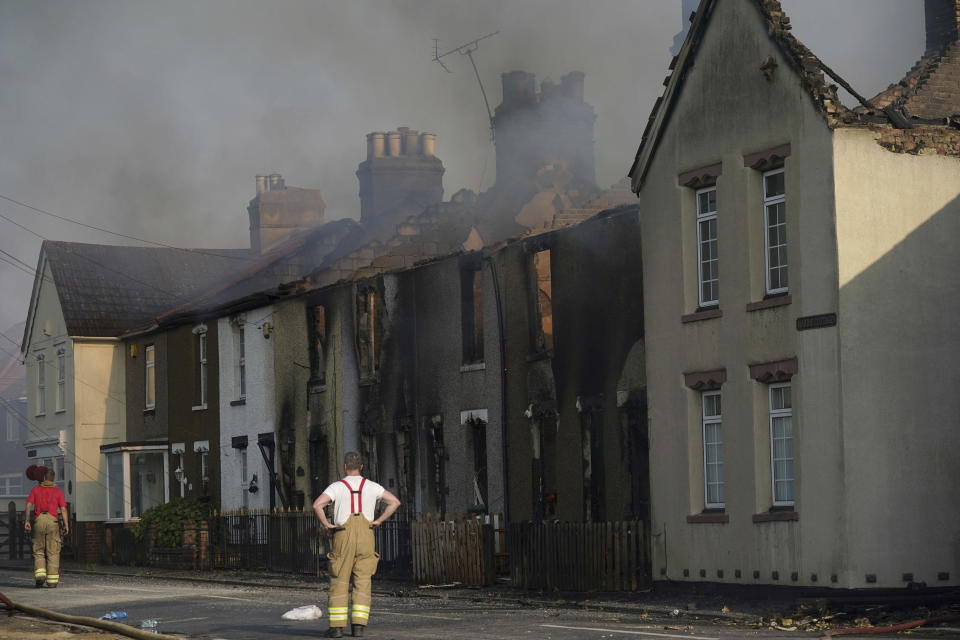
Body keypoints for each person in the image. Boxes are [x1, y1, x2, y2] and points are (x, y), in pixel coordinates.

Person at [312, 451, 401, 638]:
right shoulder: (372, 486)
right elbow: (394, 502)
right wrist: (379, 521)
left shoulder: (337, 487)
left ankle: (336, 629)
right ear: (361, 467)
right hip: (366, 536)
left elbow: (317, 505)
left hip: (343, 536)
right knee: (363, 581)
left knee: (339, 580)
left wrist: (327, 524)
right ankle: (359, 627)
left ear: (345, 467)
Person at [24, 468, 69, 588]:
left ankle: (40, 577)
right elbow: (63, 509)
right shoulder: (58, 491)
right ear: (52, 479)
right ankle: (52, 581)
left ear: (43, 478)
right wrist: (66, 525)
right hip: (52, 522)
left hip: (38, 521)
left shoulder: (35, 490)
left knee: (38, 551)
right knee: (53, 552)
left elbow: (28, 505)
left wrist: (27, 521)